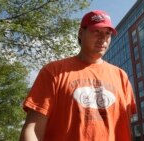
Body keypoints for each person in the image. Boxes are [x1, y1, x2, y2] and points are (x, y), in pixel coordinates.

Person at [19, 10, 137, 141]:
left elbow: (124, 127)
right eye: (96, 31)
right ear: (81, 33)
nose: (103, 38)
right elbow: (33, 129)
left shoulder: (121, 76)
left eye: (107, 33)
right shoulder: (53, 71)